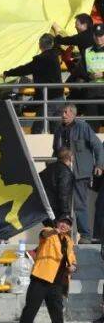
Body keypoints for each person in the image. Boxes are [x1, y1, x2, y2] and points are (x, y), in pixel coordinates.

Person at [52, 104, 104, 242]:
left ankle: (85, 235)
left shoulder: (83, 127)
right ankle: (63, 235)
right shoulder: (58, 129)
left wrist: (99, 165)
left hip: (81, 173)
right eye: (62, 112)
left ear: (73, 114)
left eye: (66, 112)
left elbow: (98, 146)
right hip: (63, 173)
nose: (63, 115)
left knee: (80, 204)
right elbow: (55, 151)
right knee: (62, 204)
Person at [15, 217, 77, 323]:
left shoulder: (69, 241)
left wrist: (73, 266)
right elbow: (44, 234)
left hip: (57, 283)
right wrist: (53, 231)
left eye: (68, 224)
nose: (64, 225)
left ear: (70, 228)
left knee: (57, 316)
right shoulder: (49, 231)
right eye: (62, 222)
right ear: (57, 223)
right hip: (40, 280)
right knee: (30, 311)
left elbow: (72, 258)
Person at [39, 148, 75, 224]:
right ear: (70, 157)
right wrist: (65, 213)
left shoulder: (48, 168)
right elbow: (63, 194)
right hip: (56, 210)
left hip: (44, 208)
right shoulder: (65, 172)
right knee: (58, 230)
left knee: (49, 230)